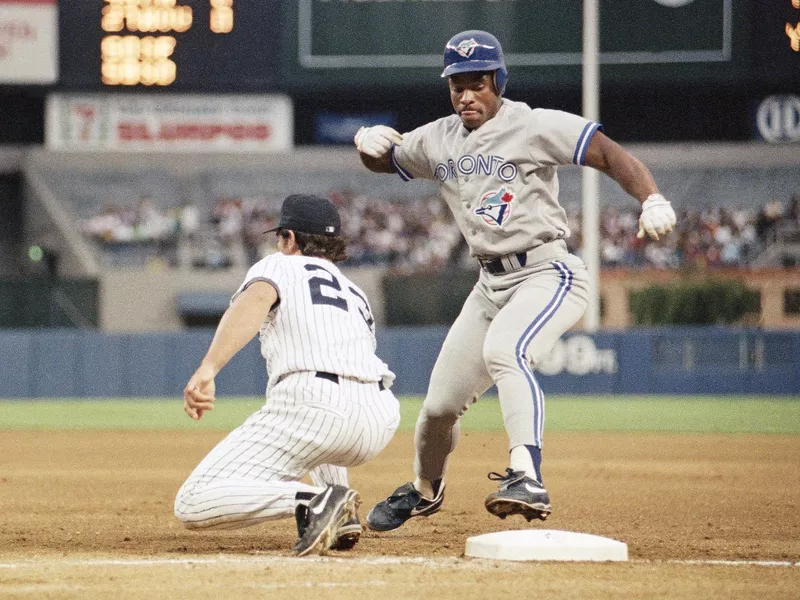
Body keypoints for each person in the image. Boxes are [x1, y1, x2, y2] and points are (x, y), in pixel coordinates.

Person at [354, 30, 676, 531]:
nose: (466, 95)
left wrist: (651, 197)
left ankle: (527, 474)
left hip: (548, 272)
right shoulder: (438, 138)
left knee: (505, 350)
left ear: (497, 81)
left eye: (477, 82)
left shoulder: (530, 125)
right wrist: (366, 144)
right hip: (489, 286)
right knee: (437, 410)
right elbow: (386, 159)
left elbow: (609, 154)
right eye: (456, 84)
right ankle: (424, 490)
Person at [174, 194, 400, 556]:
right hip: (380, 416)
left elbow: (254, 300)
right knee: (324, 430)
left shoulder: (279, 266)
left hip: (315, 405)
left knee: (192, 502)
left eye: (280, 236)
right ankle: (337, 512)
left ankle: (317, 500)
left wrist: (209, 366)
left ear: (290, 238)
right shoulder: (356, 292)